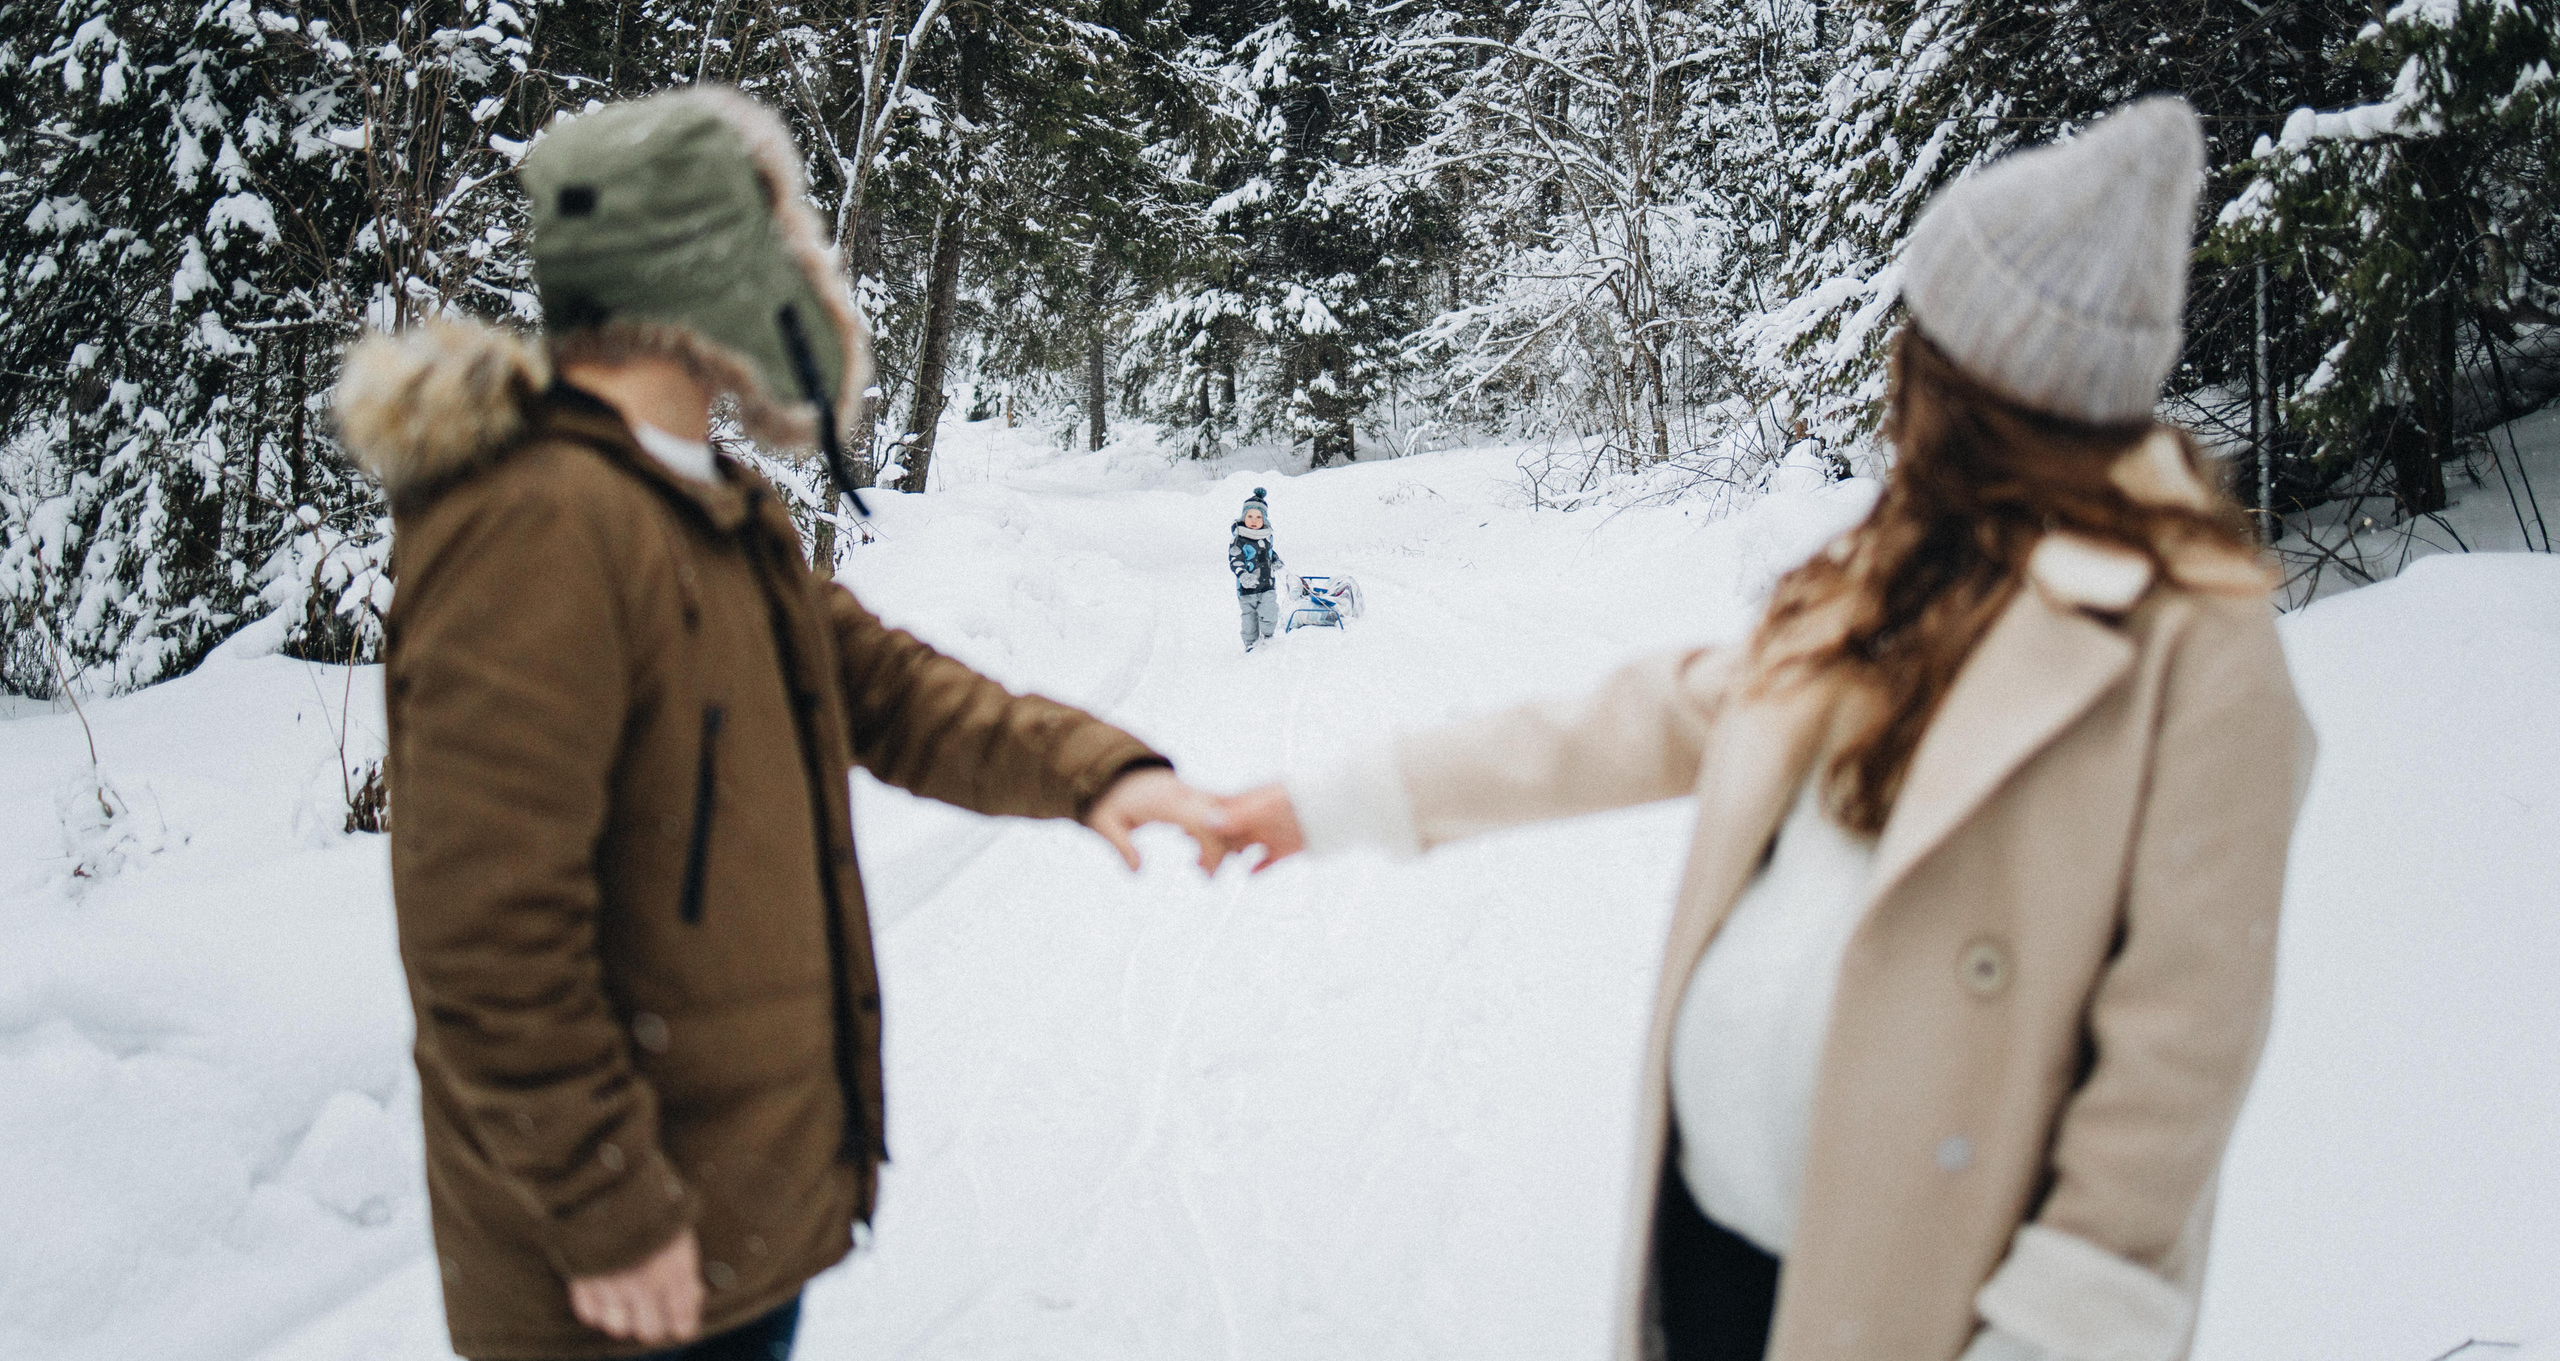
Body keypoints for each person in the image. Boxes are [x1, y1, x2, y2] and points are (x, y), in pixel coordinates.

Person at [1215, 97, 2317, 1361]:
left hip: (1920, 1301)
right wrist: (1334, 804)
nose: (1897, 370)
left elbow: (2174, 1064)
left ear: (1983, 383)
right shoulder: (1907, 563)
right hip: (1713, 1245)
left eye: (1925, 340)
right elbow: (1642, 719)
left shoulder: (2194, 647)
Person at [335, 86, 1230, 1361]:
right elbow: (485, 932)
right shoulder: (540, 522)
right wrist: (606, 1213)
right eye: (772, 246)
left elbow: (891, 690)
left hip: (727, 1229)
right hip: (615, 1291)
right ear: (698, 274)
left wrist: (1097, 775)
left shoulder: (706, 506)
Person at [1230, 487, 1284, 652]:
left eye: (1259, 517)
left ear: (1264, 519)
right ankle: (1251, 644)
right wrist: (1243, 575)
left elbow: (1268, 552)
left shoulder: (1266, 536)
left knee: (1270, 610)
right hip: (1247, 589)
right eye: (1250, 516)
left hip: (1267, 585)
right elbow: (1235, 560)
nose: (1254, 520)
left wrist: (1274, 559)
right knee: (1249, 619)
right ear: (1243, 517)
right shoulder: (1239, 540)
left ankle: (1268, 637)